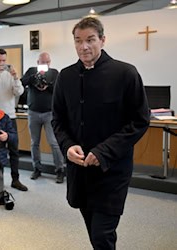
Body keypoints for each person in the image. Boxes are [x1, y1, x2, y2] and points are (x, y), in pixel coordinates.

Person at [52, 17, 150, 249]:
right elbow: (58, 120)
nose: (84, 46)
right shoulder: (65, 77)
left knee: (102, 234)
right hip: (80, 171)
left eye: (90, 40)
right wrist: (67, 146)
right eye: (78, 41)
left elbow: (140, 120)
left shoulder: (126, 73)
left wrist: (104, 151)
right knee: (93, 229)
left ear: (102, 40)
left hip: (112, 170)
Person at [0, 49, 27, 191]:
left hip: (10, 116)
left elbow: (19, 92)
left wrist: (15, 77)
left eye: (4, 61)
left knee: (14, 150)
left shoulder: (10, 75)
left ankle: (15, 179)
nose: (2, 63)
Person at [21, 52, 65, 183]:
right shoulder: (31, 71)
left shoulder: (54, 73)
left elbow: (59, 90)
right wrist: (34, 77)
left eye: (46, 62)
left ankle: (60, 170)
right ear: (37, 62)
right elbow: (22, 83)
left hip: (49, 113)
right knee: (34, 143)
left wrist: (48, 85)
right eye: (41, 62)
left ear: (50, 62)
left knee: (53, 142)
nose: (44, 65)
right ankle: (37, 168)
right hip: (33, 112)